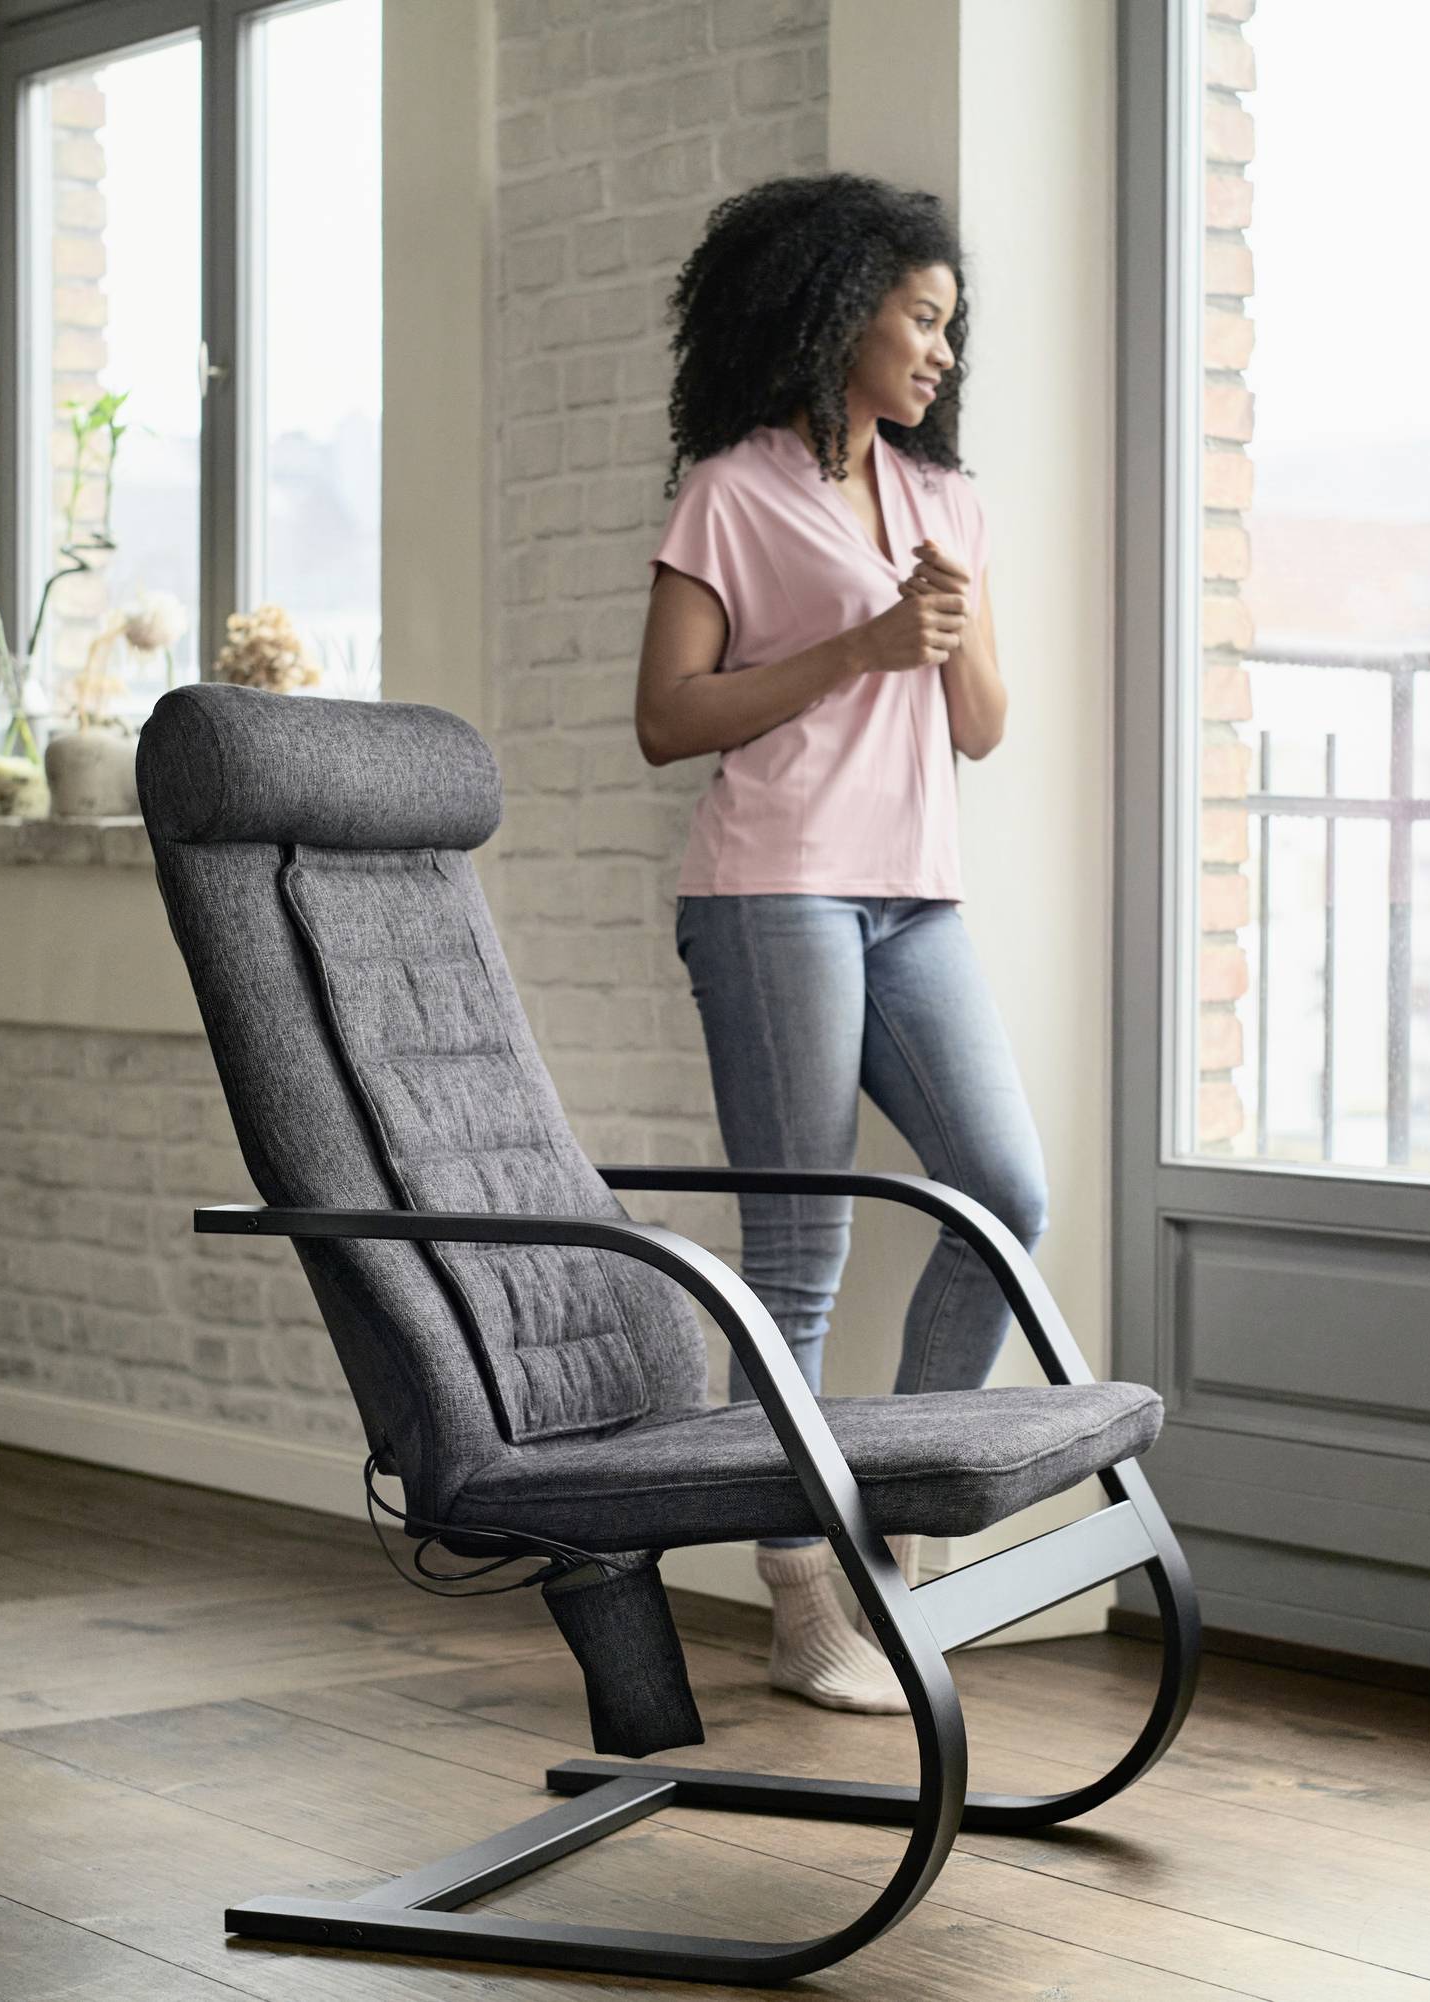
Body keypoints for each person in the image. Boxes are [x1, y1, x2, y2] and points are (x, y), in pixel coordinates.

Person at [634, 173, 1047, 1715]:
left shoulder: (948, 501)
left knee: (1003, 1193)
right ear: (836, 312)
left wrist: (945, 624)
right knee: (802, 1250)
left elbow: (982, 726)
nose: (941, 350)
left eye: (951, 327)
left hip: (914, 892)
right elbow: (666, 716)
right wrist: (858, 645)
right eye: (921, 318)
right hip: (774, 891)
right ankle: (802, 1590)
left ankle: (893, 1532)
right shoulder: (729, 493)